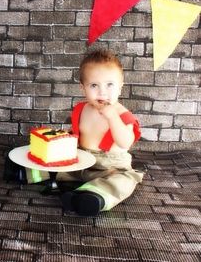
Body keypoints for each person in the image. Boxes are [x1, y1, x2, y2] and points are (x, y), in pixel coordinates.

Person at [23, 49, 143, 216]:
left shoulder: (123, 116)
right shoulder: (82, 109)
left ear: (121, 87)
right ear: (83, 88)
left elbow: (125, 142)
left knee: (124, 181)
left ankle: (90, 197)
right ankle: (25, 172)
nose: (102, 92)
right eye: (94, 85)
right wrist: (64, 137)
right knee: (56, 164)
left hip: (111, 167)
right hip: (80, 160)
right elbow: (77, 133)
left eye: (109, 85)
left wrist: (113, 118)